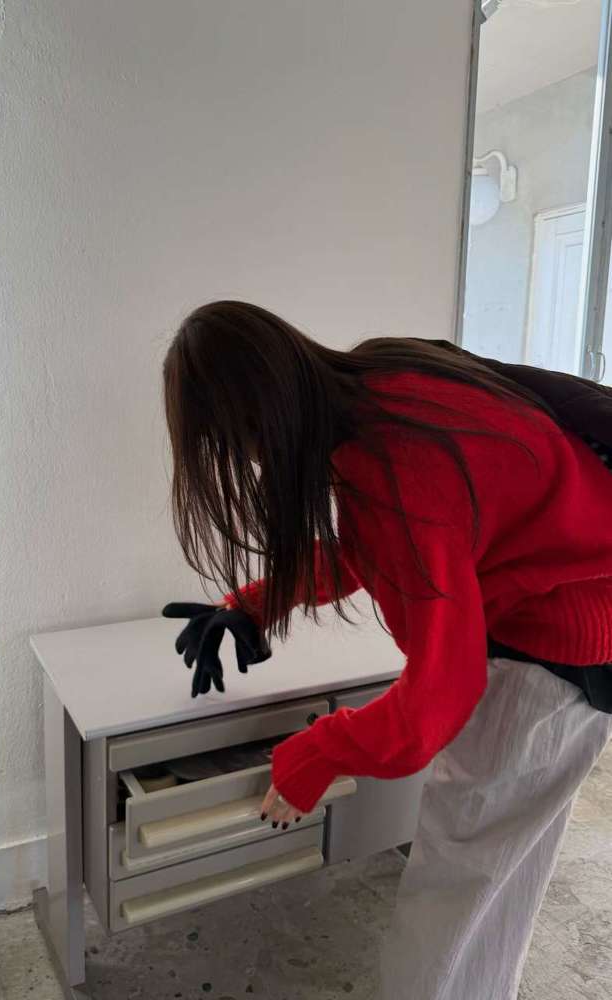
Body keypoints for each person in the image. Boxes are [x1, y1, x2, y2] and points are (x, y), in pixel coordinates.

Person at [162, 300, 612, 1000]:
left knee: (459, 882)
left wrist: (317, 753)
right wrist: (255, 601)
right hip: (576, 613)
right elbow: (379, 547)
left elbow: (436, 700)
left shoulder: (395, 472)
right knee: (496, 871)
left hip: (554, 652)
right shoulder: (384, 379)